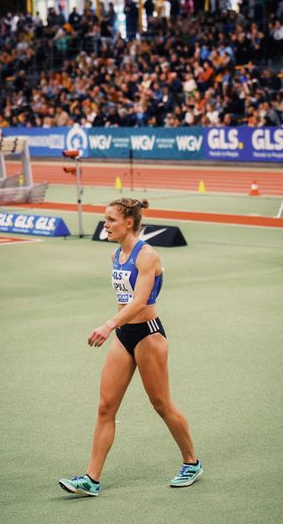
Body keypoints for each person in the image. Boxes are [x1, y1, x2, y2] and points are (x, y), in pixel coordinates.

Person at [59, 198, 202, 496]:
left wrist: (108, 325)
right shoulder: (115, 255)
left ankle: (191, 462)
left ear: (128, 222)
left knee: (161, 405)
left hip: (149, 335)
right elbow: (125, 301)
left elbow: (139, 302)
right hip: (124, 336)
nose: (106, 224)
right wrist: (117, 327)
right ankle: (91, 479)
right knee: (105, 407)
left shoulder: (147, 256)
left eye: (111, 219)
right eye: (105, 219)